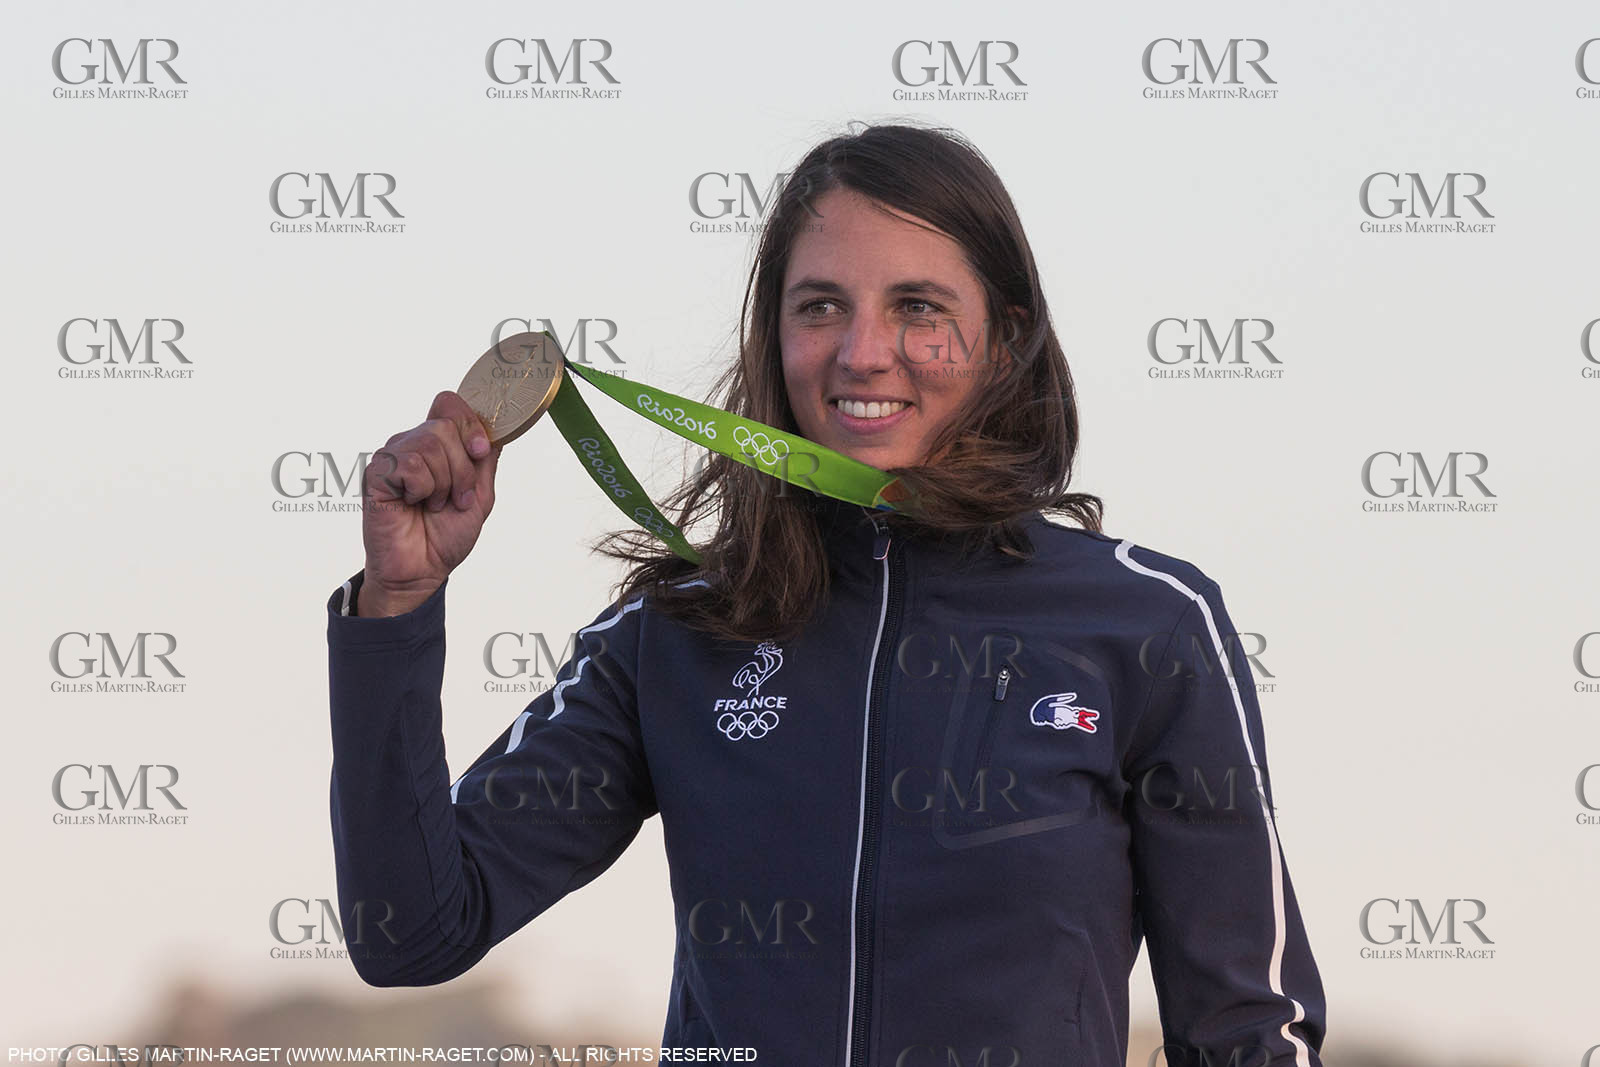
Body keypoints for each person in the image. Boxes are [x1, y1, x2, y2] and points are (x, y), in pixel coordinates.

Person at [326, 122, 1327, 1066]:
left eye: (917, 308)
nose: (861, 352)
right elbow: (410, 929)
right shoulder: (675, 634)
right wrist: (397, 603)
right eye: (820, 306)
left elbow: (1247, 1029)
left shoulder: (1146, 623)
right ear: (775, 334)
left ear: (1005, 337)